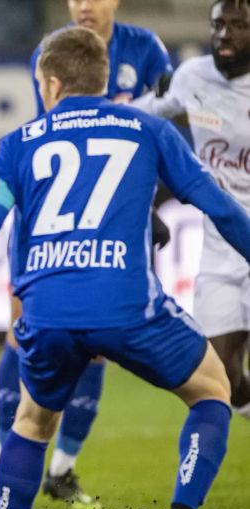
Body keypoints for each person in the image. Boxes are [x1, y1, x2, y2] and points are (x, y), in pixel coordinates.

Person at [0, 27, 250, 509]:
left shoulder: (17, 143)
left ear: (50, 83)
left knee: (32, 422)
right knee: (213, 390)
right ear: (104, 80)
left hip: (45, 311)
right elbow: (217, 204)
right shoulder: (148, 128)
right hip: (127, 304)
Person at [0, 0, 176, 508]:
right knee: (21, 324)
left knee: (96, 342)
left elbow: (166, 124)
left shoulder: (146, 50)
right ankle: (3, 455)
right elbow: (57, 132)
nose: (83, 5)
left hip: (115, 214)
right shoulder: (56, 51)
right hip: (56, 208)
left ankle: (61, 470)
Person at [132, 0, 250, 419]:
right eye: (219, 24)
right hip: (221, 251)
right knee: (224, 382)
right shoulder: (191, 76)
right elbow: (138, 118)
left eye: (238, 25)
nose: (225, 34)